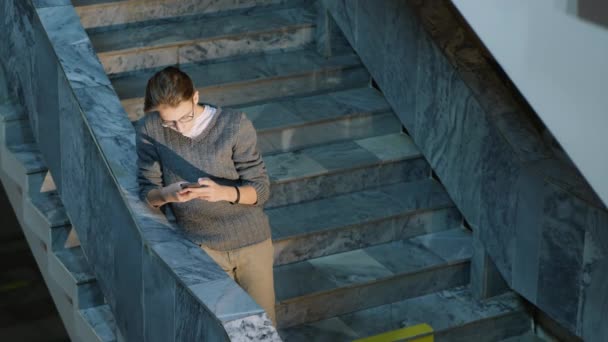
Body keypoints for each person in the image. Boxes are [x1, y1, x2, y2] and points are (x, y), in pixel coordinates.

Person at [134, 66, 276, 326]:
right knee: (218, 329)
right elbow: (147, 194)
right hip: (201, 248)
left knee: (260, 330)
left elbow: (261, 190)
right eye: (169, 121)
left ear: (195, 97)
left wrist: (222, 192)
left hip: (251, 242)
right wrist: (168, 195)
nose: (178, 127)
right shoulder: (150, 130)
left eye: (185, 117)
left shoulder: (234, 125)